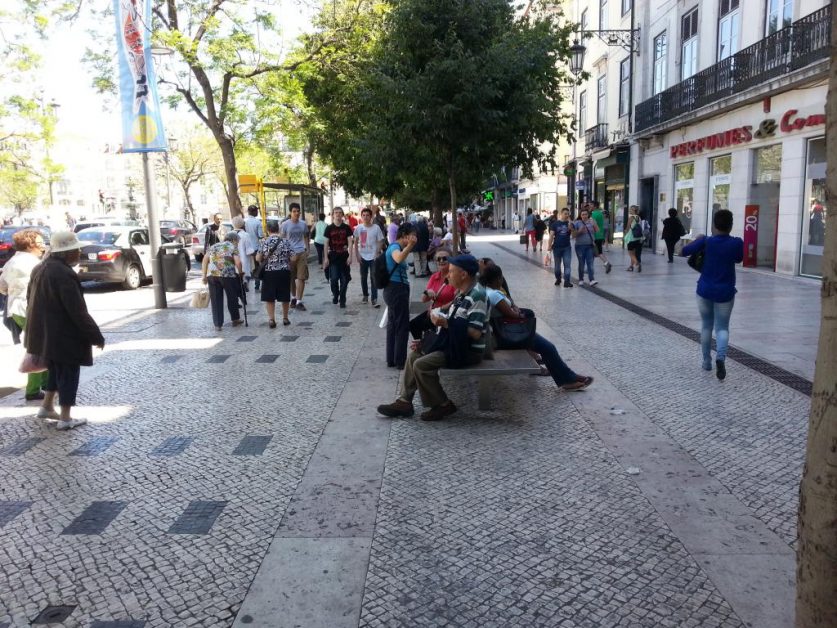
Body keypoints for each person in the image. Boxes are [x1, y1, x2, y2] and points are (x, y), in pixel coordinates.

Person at [378, 254, 487, 421]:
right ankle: (404, 402)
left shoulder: (477, 295)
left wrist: (445, 323)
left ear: (463, 274)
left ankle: (443, 404)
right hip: (452, 343)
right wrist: (429, 337)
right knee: (414, 355)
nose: (448, 275)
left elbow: (475, 333)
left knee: (421, 364)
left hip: (467, 350)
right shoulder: (462, 293)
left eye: (451, 271)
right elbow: (451, 319)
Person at [25, 231, 105, 430]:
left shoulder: (40, 268)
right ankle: (66, 418)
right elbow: (77, 310)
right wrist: (95, 335)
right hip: (62, 336)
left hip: (43, 334)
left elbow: (30, 299)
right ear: (66, 252)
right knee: (68, 373)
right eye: (76, 249)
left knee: (54, 370)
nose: (79, 252)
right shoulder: (64, 274)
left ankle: (47, 406)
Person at [480, 265, 592, 391]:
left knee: (546, 347)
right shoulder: (494, 294)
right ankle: (567, 380)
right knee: (548, 348)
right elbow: (512, 315)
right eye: (501, 278)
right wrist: (520, 313)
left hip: (501, 332)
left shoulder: (486, 291)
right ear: (498, 279)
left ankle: (570, 377)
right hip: (508, 335)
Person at [682, 210, 744, 380]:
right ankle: (721, 358)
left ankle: (706, 362)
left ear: (714, 225)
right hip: (725, 291)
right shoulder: (737, 243)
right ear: (730, 226)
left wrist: (699, 239)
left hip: (704, 291)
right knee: (722, 327)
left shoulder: (706, 241)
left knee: (706, 326)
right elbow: (739, 259)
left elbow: (683, 251)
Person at [0, 229, 47, 400]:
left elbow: (2, 287)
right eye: (40, 242)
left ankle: (44, 384)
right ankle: (35, 389)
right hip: (32, 308)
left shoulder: (11, 262)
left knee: (37, 346)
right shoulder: (35, 263)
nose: (43, 245)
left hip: (16, 309)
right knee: (37, 348)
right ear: (30, 244)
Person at [383, 222, 417, 369]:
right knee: (402, 325)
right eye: (413, 235)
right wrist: (410, 246)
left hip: (394, 289)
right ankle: (400, 361)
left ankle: (392, 359)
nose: (415, 238)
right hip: (397, 290)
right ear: (405, 236)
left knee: (393, 325)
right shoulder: (395, 247)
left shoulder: (396, 247)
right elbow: (398, 259)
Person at [409, 247, 456, 341]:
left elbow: (458, 299)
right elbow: (423, 299)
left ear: (451, 260)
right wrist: (427, 293)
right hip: (433, 312)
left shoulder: (454, 277)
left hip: (447, 314)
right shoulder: (435, 276)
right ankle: (421, 346)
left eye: (445, 258)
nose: (441, 261)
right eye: (438, 259)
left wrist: (440, 309)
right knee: (413, 324)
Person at [202, 231, 244, 331]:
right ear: (234, 240)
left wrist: (204, 275)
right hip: (228, 275)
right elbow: (238, 262)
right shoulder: (232, 247)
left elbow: (205, 259)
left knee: (216, 300)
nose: (237, 243)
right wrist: (241, 273)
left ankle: (218, 324)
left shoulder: (214, 246)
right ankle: (235, 319)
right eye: (237, 241)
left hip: (212, 275)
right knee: (232, 298)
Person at [256, 220, 293, 328]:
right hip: (284, 272)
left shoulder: (264, 242)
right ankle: (285, 318)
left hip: (269, 273)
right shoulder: (285, 241)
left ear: (268, 230)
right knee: (285, 296)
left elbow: (258, 257)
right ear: (278, 228)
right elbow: (294, 257)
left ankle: (271, 319)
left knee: (269, 297)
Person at [280, 203, 310, 311]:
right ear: (290, 212)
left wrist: (307, 249)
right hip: (290, 254)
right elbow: (282, 239)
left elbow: (306, 236)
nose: (296, 213)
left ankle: (299, 301)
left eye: (298, 211)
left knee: (301, 277)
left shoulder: (303, 224)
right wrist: (285, 253)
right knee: (291, 278)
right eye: (294, 211)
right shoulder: (285, 225)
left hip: (301, 252)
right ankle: (293, 297)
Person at [353, 207, 385, 307]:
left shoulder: (376, 228)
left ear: (371, 216)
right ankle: (365, 295)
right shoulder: (359, 228)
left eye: (367, 215)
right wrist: (357, 254)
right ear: (361, 217)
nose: (365, 217)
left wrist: (377, 252)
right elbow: (355, 241)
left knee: (373, 277)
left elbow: (381, 241)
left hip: (373, 257)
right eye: (364, 215)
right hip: (362, 256)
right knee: (363, 277)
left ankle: (374, 298)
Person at [323, 207, 354, 308]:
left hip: (344, 256)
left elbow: (350, 242)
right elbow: (326, 244)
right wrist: (326, 258)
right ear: (333, 215)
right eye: (336, 212)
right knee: (334, 279)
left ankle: (343, 299)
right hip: (333, 257)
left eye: (340, 213)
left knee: (345, 280)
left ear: (342, 215)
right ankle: (336, 294)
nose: (338, 214)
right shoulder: (329, 228)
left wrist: (350, 256)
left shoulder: (347, 228)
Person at [548, 208, 574, 287]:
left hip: (567, 247)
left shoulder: (569, 224)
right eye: (565, 213)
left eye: (568, 214)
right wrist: (549, 246)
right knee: (557, 266)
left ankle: (567, 281)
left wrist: (570, 224)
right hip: (557, 247)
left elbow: (573, 234)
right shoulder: (555, 224)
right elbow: (551, 235)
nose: (567, 215)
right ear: (561, 214)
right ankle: (558, 278)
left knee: (567, 265)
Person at [572, 208, 598, 286]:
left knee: (590, 263)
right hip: (580, 246)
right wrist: (580, 231)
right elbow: (573, 235)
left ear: (588, 215)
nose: (584, 216)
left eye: (586, 214)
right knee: (581, 263)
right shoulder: (577, 223)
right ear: (580, 215)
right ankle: (581, 279)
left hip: (590, 245)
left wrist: (594, 224)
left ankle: (591, 279)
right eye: (583, 214)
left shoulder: (591, 222)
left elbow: (597, 230)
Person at [231, 216, 255, 291]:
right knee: (243, 287)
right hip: (243, 264)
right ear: (242, 224)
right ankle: (244, 285)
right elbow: (249, 251)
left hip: (232, 264)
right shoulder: (245, 235)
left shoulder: (228, 234)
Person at [589, 202, 613, 273]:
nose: (589, 206)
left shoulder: (594, 214)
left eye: (591, 205)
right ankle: (590, 267)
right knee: (595, 252)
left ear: (595, 206)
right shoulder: (600, 213)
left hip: (595, 236)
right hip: (600, 235)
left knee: (597, 252)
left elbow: (593, 224)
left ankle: (606, 263)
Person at [244, 205, 263, 289]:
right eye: (256, 211)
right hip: (255, 248)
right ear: (254, 212)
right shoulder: (258, 222)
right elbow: (260, 236)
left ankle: (246, 284)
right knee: (256, 267)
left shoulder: (244, 222)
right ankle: (257, 284)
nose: (257, 212)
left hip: (246, 248)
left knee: (247, 266)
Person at [624, 205, 644, 272]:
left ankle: (637, 264)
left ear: (634, 211)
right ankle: (631, 266)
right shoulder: (639, 217)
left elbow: (627, 228)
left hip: (631, 238)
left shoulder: (631, 218)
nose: (630, 210)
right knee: (634, 253)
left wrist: (625, 234)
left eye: (631, 209)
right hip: (638, 238)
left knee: (631, 253)